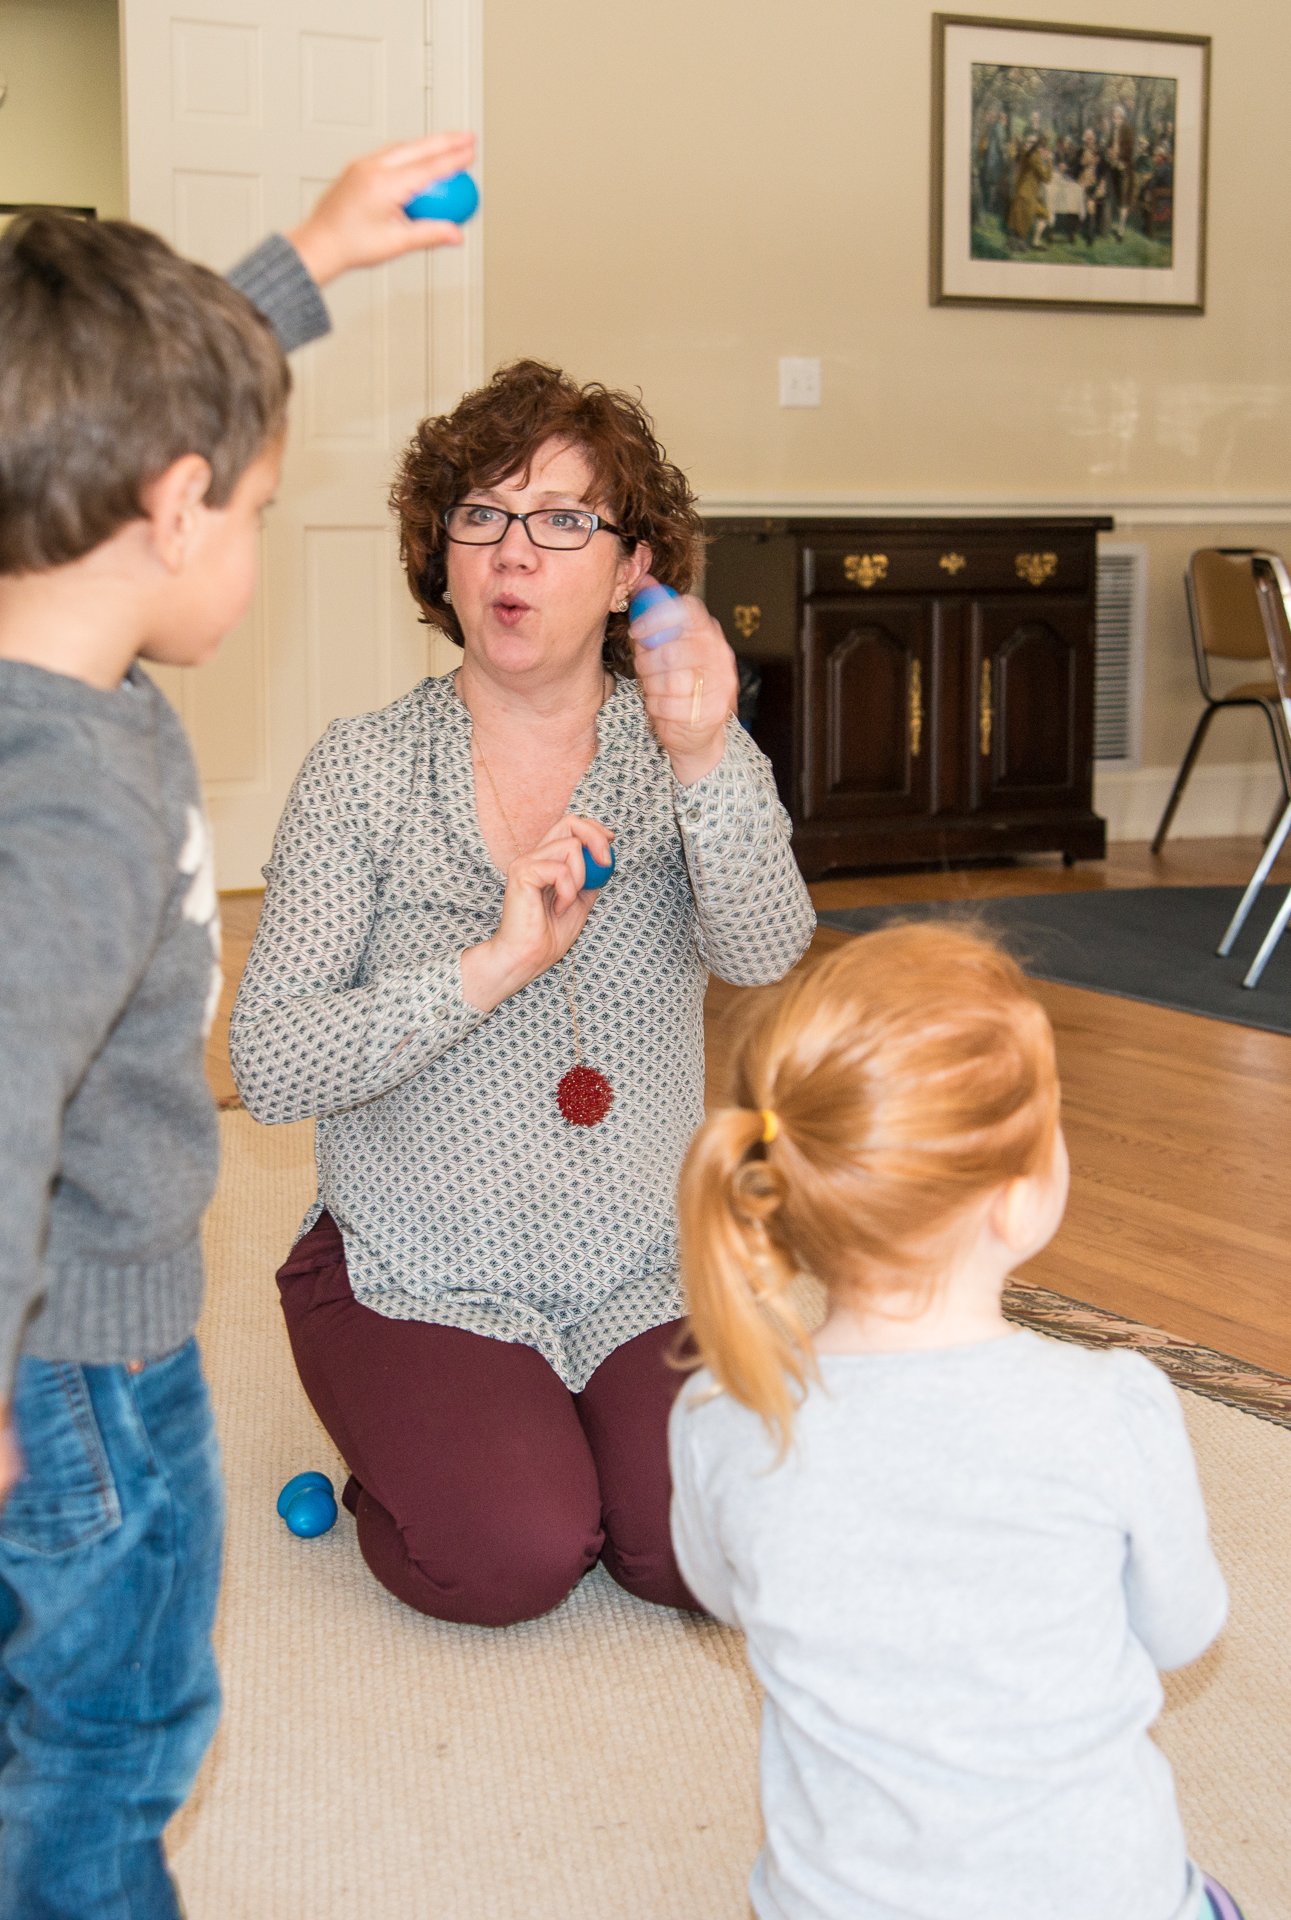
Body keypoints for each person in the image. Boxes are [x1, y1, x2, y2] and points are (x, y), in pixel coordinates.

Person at [0, 132, 474, 1920]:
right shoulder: (71, 815)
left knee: (44, 1670)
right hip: (60, 1347)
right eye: (263, 512)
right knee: (130, 1720)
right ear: (178, 506)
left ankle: (30, 1825)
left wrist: (310, 261)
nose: (258, 546)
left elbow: (96, 434)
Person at [226, 360, 815, 1628]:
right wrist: (487, 972)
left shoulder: (684, 749)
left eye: (561, 522)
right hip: (413, 1266)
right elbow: (268, 1063)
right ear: (439, 560)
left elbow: (767, 949)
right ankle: (424, 1440)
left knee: (699, 1554)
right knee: (515, 1555)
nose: (515, 554)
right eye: (481, 518)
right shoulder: (364, 771)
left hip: (641, 1270)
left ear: (629, 569)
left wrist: (708, 752)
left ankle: (564, 1432)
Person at [667, 923, 1240, 1920]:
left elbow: (726, 1597)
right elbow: (1183, 1633)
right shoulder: (1110, 1408)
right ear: (1016, 1204)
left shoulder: (725, 1415)